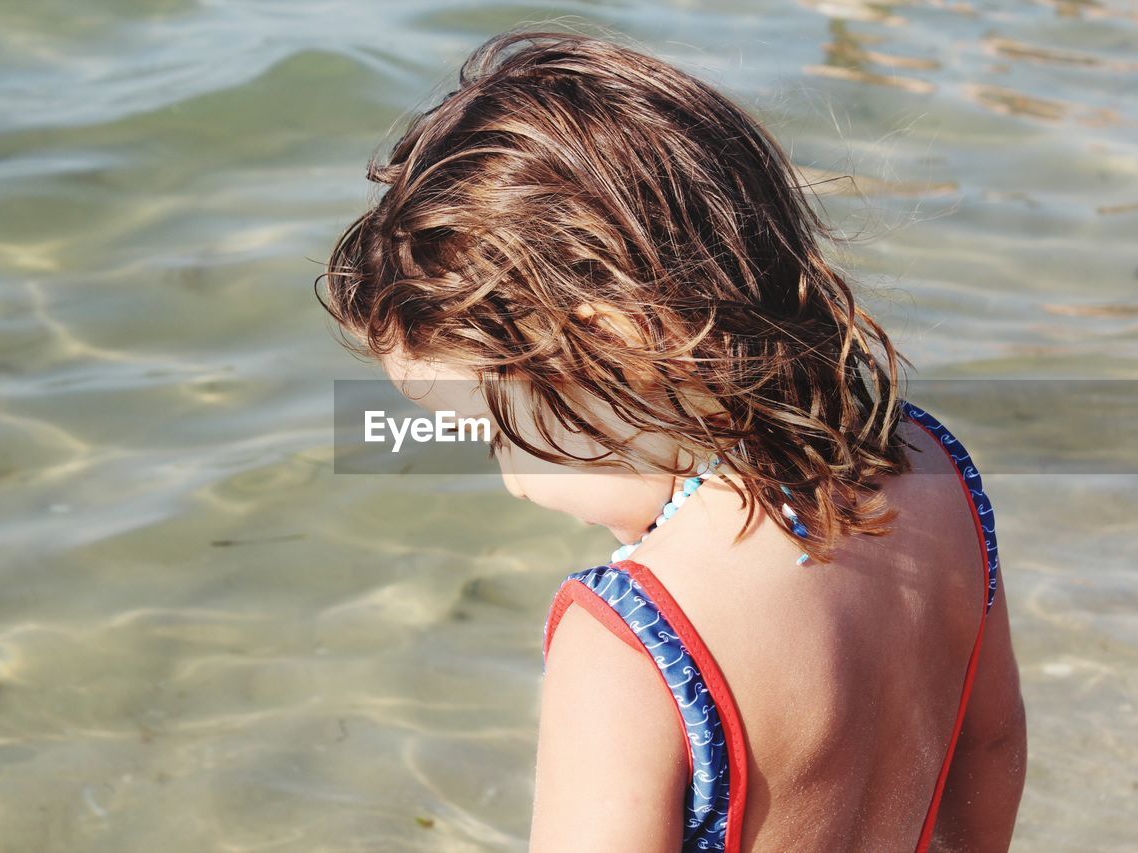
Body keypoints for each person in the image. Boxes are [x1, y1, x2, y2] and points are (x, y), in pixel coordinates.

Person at [315, 30, 1027, 852]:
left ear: (620, 343)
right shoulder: (936, 472)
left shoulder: (631, 640)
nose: (512, 482)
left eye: (496, 433)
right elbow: (992, 746)